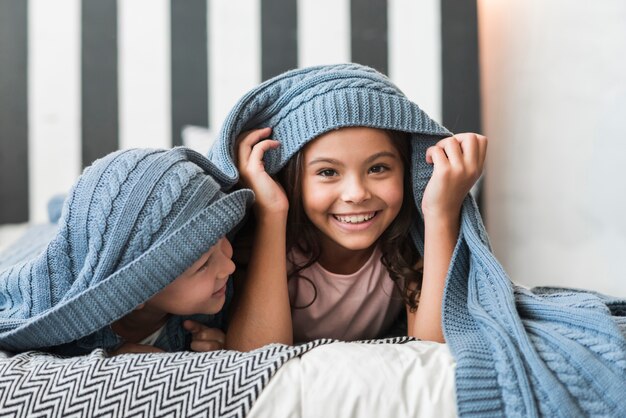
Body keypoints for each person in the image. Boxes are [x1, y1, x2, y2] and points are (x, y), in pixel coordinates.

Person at [205, 63, 486, 351]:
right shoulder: (264, 248)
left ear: (407, 170)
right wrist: (271, 214)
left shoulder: (407, 246)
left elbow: (432, 352)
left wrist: (441, 213)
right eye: (328, 172)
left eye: (378, 168)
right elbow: (256, 356)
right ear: (291, 180)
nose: (356, 194)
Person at [0, 147, 253, 355]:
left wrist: (224, 342)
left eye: (222, 240)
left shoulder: (214, 302)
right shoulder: (61, 328)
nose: (228, 267)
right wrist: (111, 356)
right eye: (204, 264)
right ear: (136, 291)